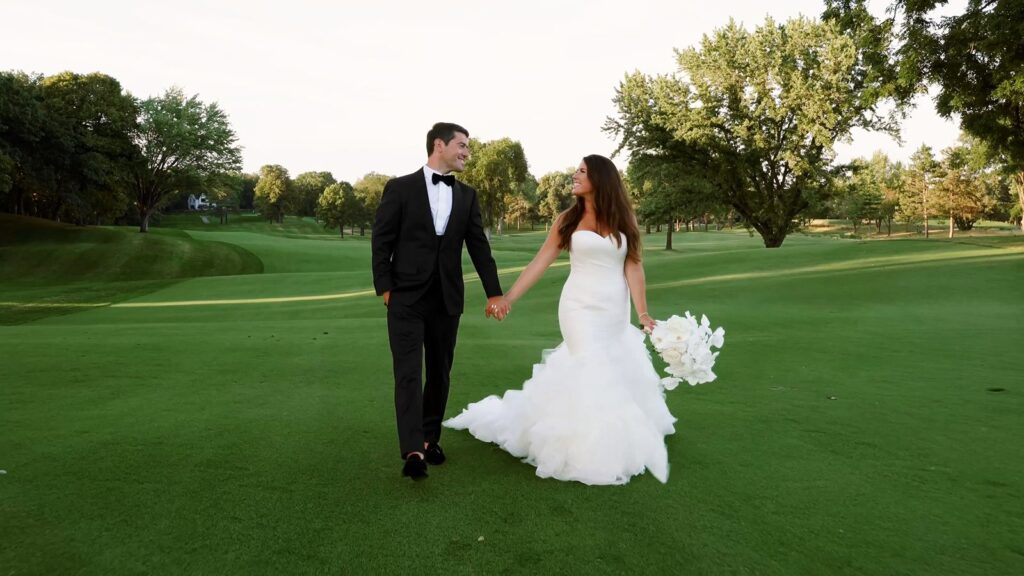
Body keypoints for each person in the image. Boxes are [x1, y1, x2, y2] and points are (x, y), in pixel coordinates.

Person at [444, 154, 676, 485]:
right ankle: (590, 449)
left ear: (600, 178)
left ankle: (613, 434)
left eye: (582, 171)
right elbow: (540, 262)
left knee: (610, 366)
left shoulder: (625, 219)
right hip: (578, 307)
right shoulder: (567, 219)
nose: (574, 175)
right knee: (590, 366)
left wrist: (642, 312)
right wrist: (508, 297)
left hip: (614, 308)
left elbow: (633, 266)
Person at [372, 122, 510, 481]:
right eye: (462, 145)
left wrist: (494, 291)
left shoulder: (468, 196)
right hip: (405, 297)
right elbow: (381, 241)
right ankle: (413, 450)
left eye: (468, 147)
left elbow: (479, 246)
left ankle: (430, 439)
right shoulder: (399, 188)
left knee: (439, 373)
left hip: (447, 298)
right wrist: (385, 287)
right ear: (439, 145)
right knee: (407, 373)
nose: (467, 152)